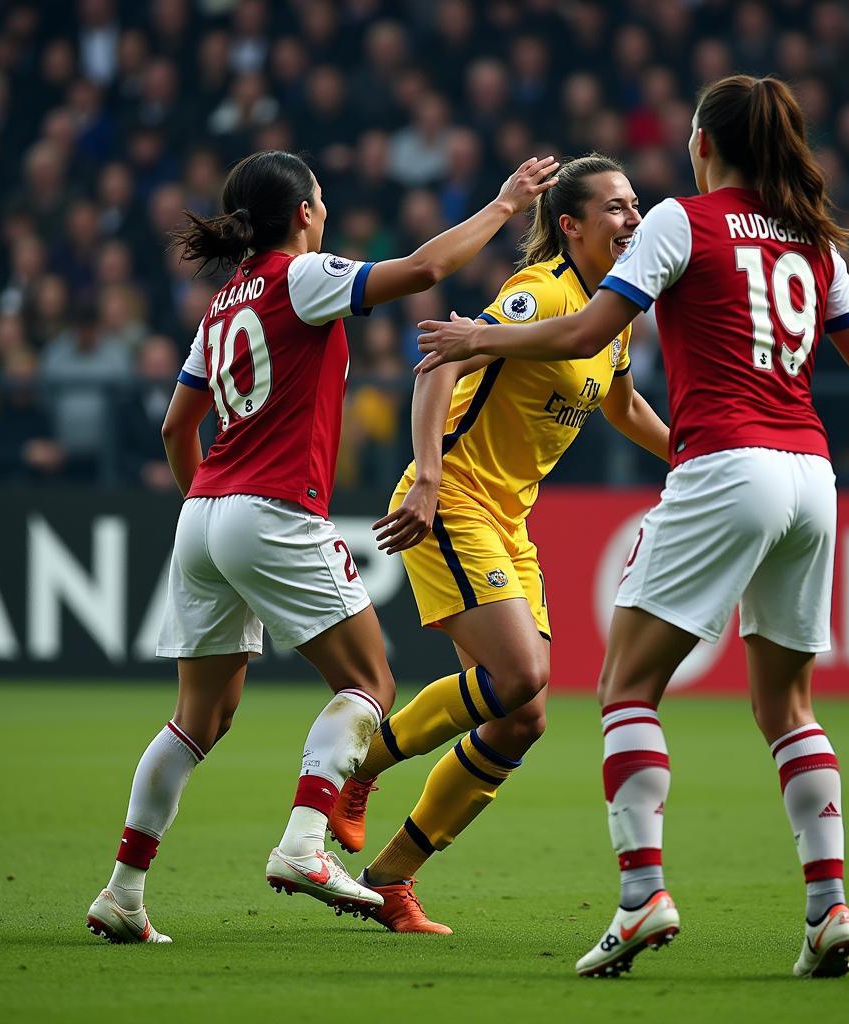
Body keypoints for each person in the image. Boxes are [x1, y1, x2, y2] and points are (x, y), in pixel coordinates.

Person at [414, 76, 849, 979]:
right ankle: (830, 907)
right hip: (812, 476)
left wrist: (480, 339)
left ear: (707, 143)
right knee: (787, 707)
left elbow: (586, 331)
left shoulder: (683, 219)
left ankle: (642, 899)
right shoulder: (813, 240)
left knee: (626, 689)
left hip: (727, 464)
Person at [85, 148, 558, 944]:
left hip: (202, 514)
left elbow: (177, 429)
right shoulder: (300, 278)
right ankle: (305, 844)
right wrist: (506, 204)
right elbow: (424, 268)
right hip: (272, 509)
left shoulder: (217, 306)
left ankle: (123, 891)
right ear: (303, 212)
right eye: (322, 200)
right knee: (370, 681)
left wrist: (213, 501)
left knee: (196, 720)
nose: (327, 210)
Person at [328, 155, 670, 934]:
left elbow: (621, 406)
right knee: (520, 676)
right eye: (615, 208)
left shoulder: (611, 312)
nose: (633, 219)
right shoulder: (539, 293)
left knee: (523, 718)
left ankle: (389, 880)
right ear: (572, 225)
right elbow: (439, 364)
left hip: (508, 519)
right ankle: (357, 763)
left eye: (637, 204)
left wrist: (695, 452)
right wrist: (424, 475)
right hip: (452, 500)